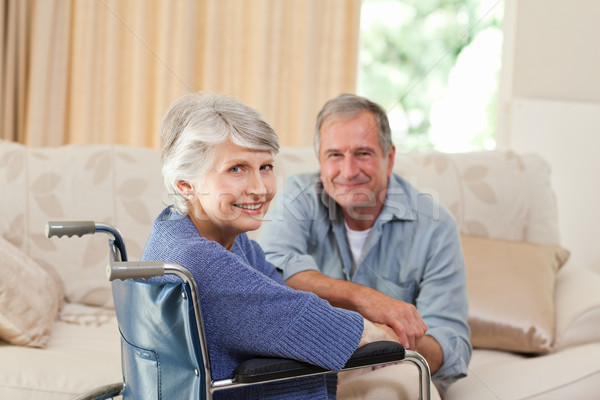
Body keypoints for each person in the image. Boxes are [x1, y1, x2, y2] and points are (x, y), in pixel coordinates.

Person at [141, 92, 401, 400]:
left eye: (265, 166)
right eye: (236, 169)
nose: (260, 189)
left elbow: (286, 299)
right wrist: (381, 333)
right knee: (404, 375)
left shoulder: (210, 237)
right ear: (186, 184)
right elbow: (311, 322)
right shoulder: (197, 260)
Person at [258, 93, 472, 395]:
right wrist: (365, 299)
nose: (348, 171)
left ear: (390, 158)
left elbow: (450, 345)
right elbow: (266, 276)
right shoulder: (298, 196)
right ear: (320, 160)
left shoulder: (436, 226)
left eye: (363, 153)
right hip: (312, 366)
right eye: (334, 155)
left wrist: (384, 340)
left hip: (394, 370)